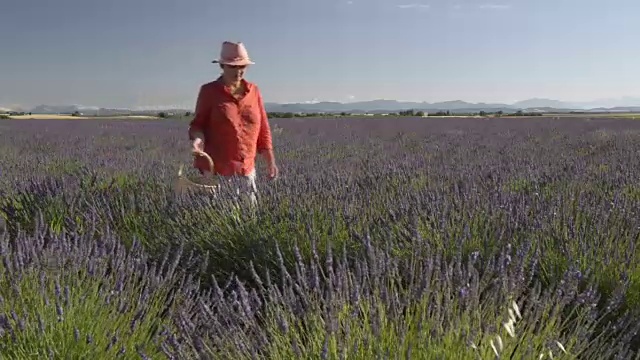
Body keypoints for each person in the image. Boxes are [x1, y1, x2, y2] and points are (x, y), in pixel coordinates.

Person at [188, 41, 278, 206]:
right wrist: (197, 142)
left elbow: (263, 128)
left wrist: (270, 161)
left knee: (248, 216)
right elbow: (197, 125)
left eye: (242, 66)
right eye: (233, 67)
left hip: (247, 170)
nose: (238, 71)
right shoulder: (209, 91)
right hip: (218, 171)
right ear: (222, 66)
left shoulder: (254, 91)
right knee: (219, 217)